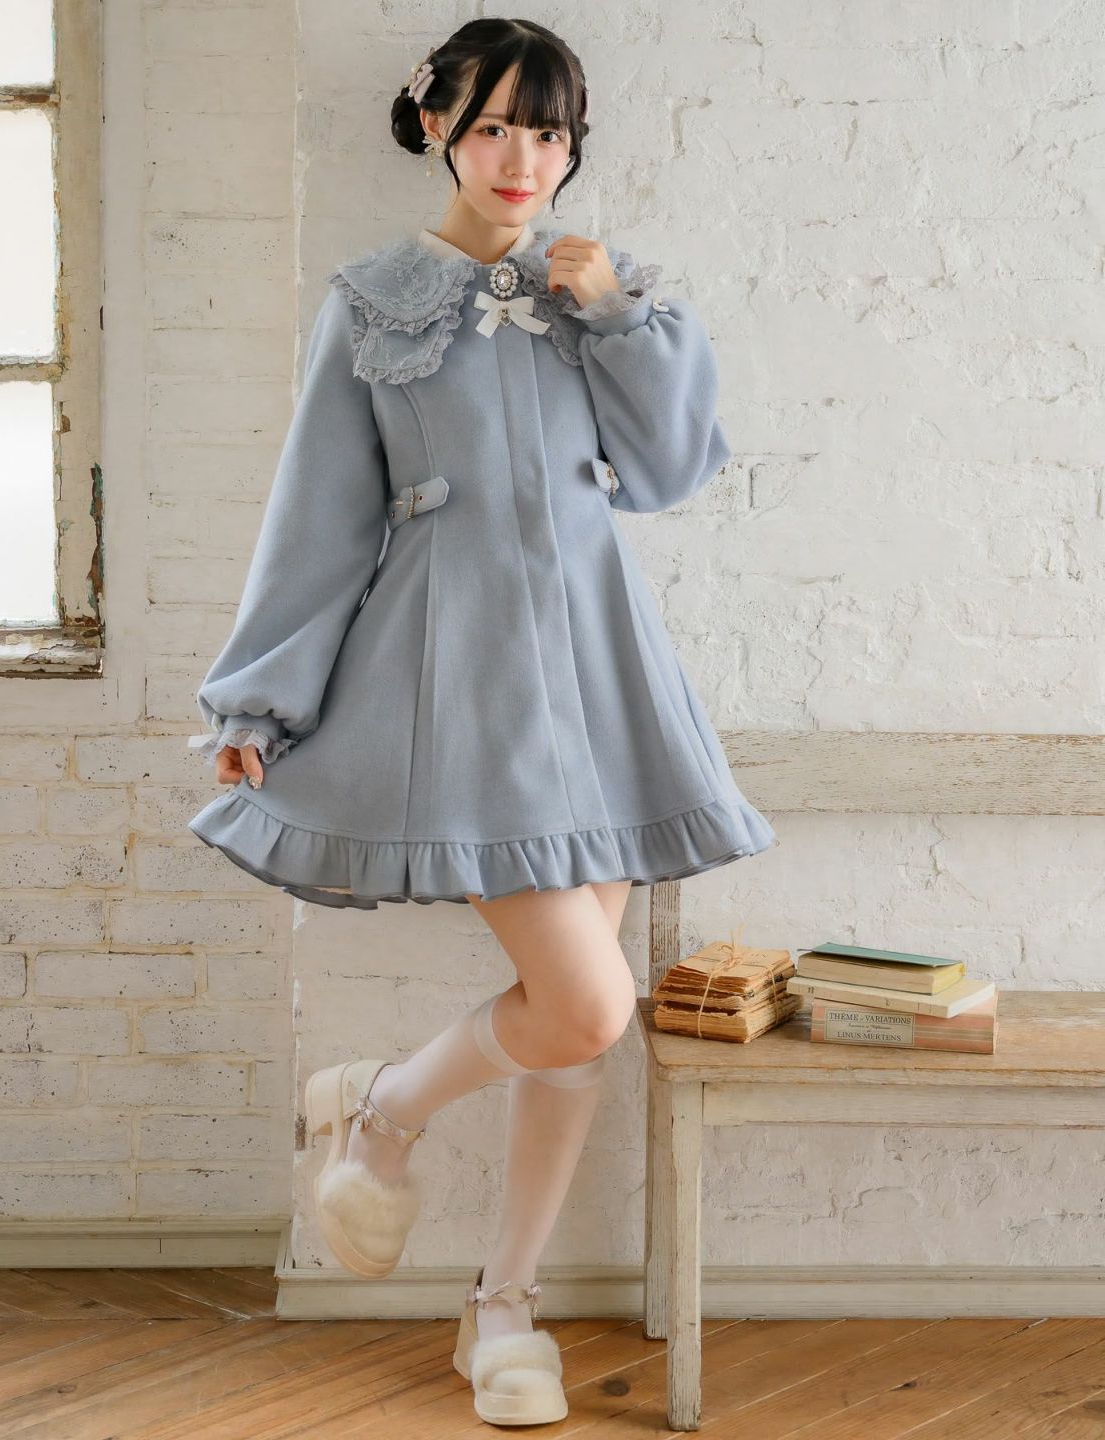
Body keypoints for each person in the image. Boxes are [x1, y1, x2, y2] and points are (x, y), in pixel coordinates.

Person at [186, 17, 777, 1425]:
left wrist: (615, 316)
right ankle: (381, 1110)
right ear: (438, 127)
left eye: (550, 132)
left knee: (582, 1021)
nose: (524, 159)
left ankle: (500, 1307)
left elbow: (668, 471)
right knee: (585, 1002)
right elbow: (319, 516)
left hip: (601, 670)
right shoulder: (372, 303)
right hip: (454, 669)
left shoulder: (609, 292)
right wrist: (259, 694)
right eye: (497, 126)